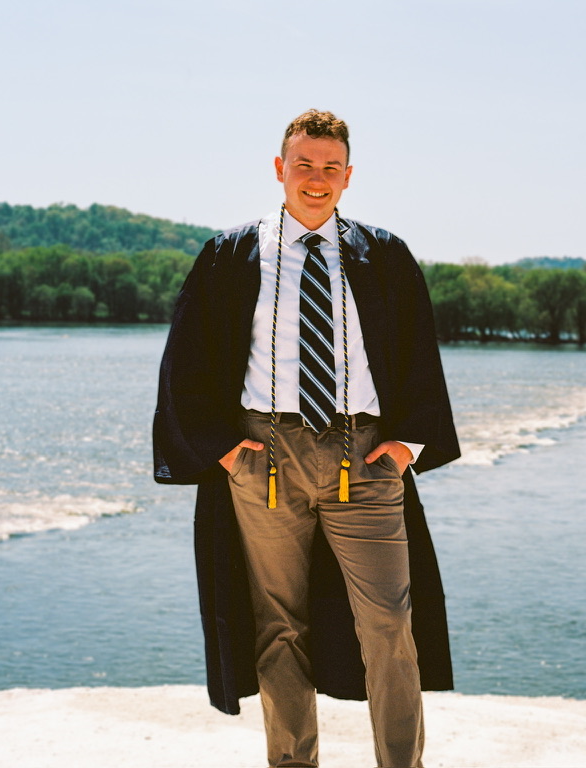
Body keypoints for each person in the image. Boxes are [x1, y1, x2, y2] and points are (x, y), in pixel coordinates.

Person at [153, 109, 460, 768]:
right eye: (303, 165)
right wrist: (225, 450)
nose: (315, 179)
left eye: (330, 168)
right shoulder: (231, 254)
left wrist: (408, 442)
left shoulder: (384, 254)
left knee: (389, 625)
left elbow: (417, 354)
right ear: (279, 169)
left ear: (347, 176)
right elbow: (187, 359)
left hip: (366, 456)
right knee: (277, 627)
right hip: (265, 459)